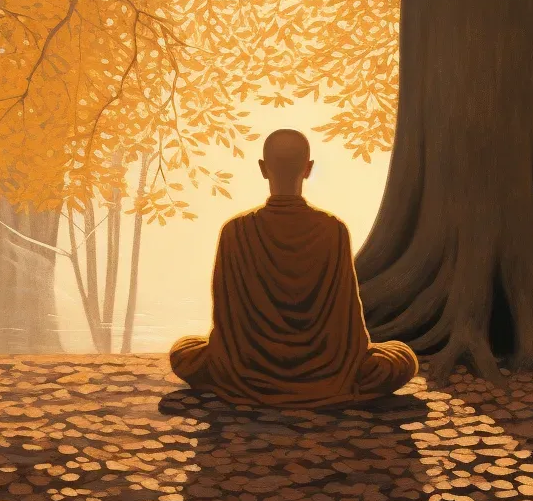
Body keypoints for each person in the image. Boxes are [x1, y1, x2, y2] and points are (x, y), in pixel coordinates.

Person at [169, 128, 418, 408]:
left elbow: (226, 324)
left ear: (263, 169)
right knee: (400, 358)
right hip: (325, 374)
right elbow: (347, 324)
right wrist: (344, 366)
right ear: (308, 168)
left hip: (246, 373)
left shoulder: (234, 231)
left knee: (184, 353)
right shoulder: (333, 230)